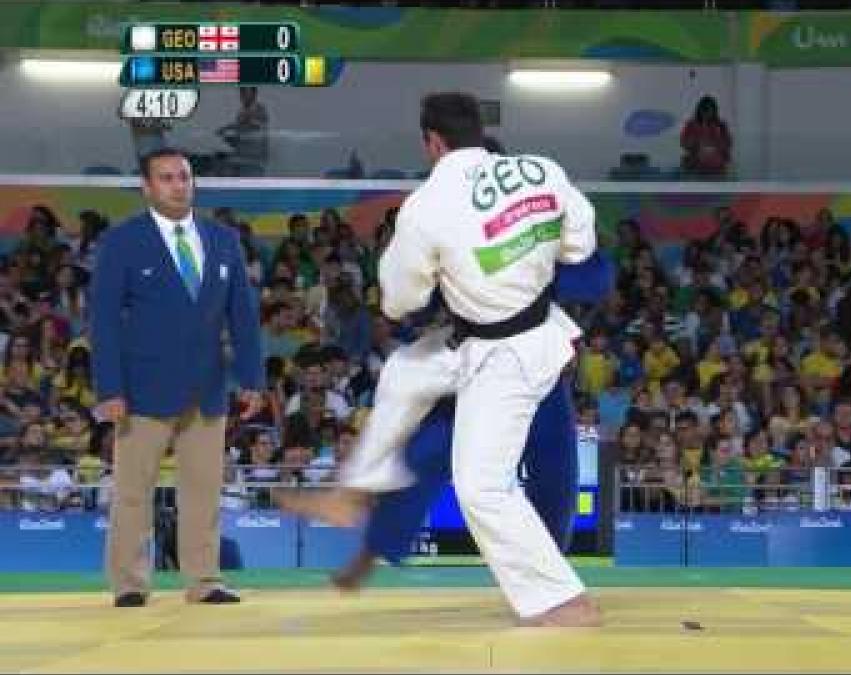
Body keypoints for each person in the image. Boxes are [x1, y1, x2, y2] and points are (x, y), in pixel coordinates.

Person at [277, 92, 599, 627]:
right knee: (403, 374)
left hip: (507, 354)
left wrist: (451, 276)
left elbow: (400, 300)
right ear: (479, 128)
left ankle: (563, 599)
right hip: (508, 332)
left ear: (432, 141)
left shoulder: (427, 205)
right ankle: (352, 491)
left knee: (480, 483)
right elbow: (580, 244)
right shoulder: (542, 171)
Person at [333, 250, 613, 589]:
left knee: (555, 474)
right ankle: (374, 547)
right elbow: (413, 301)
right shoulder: (450, 231)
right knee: (426, 454)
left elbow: (593, 281)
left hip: (535, 364)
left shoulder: (540, 226)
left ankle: (547, 572)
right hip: (471, 361)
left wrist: (551, 261)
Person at [89, 147, 265, 608]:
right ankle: (129, 582)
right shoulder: (124, 242)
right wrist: (109, 389)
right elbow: (103, 320)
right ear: (147, 187)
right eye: (166, 178)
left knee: (204, 490)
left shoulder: (222, 239)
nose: (177, 185)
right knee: (133, 492)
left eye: (184, 176)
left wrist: (251, 378)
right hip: (141, 391)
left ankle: (204, 580)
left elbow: (243, 317)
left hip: (208, 388)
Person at [217, 87, 269, 177]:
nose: (242, 96)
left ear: (254, 94)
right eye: (241, 93)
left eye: (245, 93)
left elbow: (252, 127)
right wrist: (228, 136)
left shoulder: (259, 110)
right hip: (242, 156)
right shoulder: (241, 112)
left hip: (254, 160)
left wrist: (232, 128)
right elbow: (239, 130)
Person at [680, 96, 732, 178]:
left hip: (717, 167)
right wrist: (697, 142)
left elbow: (727, 143)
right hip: (696, 165)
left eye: (709, 109)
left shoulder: (720, 125)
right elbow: (684, 143)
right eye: (704, 109)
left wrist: (715, 144)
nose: (707, 113)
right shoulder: (691, 125)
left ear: (714, 110)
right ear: (699, 110)